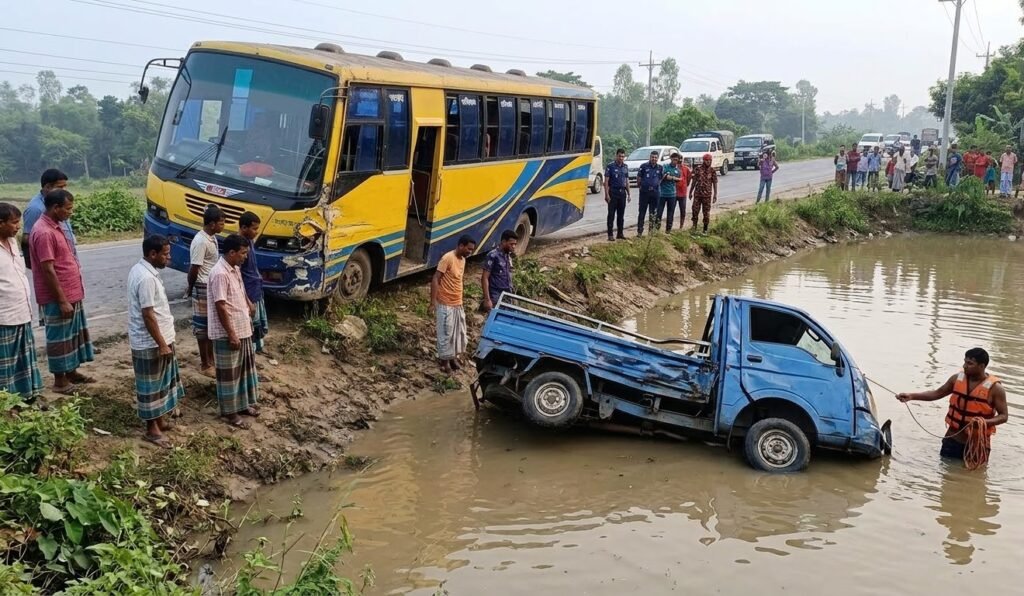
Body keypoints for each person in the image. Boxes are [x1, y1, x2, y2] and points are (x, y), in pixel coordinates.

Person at [28, 190, 94, 394]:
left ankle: (71, 371)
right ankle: (60, 381)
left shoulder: (57, 227)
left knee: (72, 335)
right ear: (55, 208)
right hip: (59, 296)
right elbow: (48, 269)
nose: (70, 212)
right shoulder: (44, 232)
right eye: (68, 208)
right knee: (59, 338)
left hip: (72, 292)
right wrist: (62, 300)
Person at [897, 348, 1008, 462]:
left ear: (982, 366)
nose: (965, 366)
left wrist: (983, 422)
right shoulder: (956, 379)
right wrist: (912, 396)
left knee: (974, 475)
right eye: (965, 362)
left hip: (977, 445)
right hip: (953, 439)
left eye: (970, 363)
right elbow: (937, 393)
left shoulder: (995, 389)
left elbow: (1004, 416)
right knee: (947, 475)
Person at [127, 235, 183, 448]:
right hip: (150, 342)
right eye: (166, 254)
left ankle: (159, 420)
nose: (168, 258)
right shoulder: (147, 278)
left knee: (161, 383)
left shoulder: (143, 270)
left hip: (160, 337)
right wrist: (161, 343)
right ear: (153, 254)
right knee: (150, 386)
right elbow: (148, 314)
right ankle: (152, 430)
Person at [208, 234, 259, 429]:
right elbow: (220, 305)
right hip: (229, 332)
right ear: (231, 252)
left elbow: (240, 289)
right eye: (243, 253)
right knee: (230, 375)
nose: (245, 257)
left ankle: (243, 404)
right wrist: (231, 333)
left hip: (242, 326)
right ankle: (230, 413)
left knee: (244, 370)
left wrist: (248, 303)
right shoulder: (220, 273)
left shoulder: (235, 269)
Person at [0, 203, 42, 400]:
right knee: (5, 363)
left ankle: (26, 396)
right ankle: (6, 403)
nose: (18, 227)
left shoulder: (13, 242)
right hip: (4, 316)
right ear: (0, 224)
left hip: (22, 311)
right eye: (14, 223)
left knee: (23, 359)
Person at [185, 205, 225, 377]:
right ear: (211, 224)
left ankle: (211, 359)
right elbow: (195, 267)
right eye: (221, 223)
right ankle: (205, 363)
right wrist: (191, 286)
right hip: (202, 286)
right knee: (202, 328)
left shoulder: (211, 238)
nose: (223, 226)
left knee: (210, 326)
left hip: (211, 285)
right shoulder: (201, 241)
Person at [431, 235, 476, 373]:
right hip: (445, 303)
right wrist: (433, 302)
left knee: (458, 334)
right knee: (446, 333)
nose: (470, 252)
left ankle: (452, 358)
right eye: (468, 249)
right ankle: (444, 362)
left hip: (457, 303)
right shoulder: (447, 258)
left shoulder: (462, 260)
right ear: (461, 246)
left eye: (472, 250)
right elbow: (435, 279)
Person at [21, 169, 72, 269]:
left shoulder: (61, 202)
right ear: (47, 187)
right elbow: (27, 239)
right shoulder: (36, 209)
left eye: (65, 186)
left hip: (67, 258)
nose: (64, 190)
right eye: (60, 187)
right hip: (54, 265)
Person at [237, 212, 268, 354]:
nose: (256, 232)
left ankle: (257, 350)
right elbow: (238, 275)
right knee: (249, 326)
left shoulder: (249, 242)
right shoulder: (240, 247)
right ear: (244, 227)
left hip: (255, 289)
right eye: (254, 229)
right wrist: (246, 299)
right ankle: (250, 353)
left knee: (257, 324)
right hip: (248, 291)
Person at [481, 230, 517, 312]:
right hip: (496, 296)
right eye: (511, 244)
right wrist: (487, 299)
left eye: (515, 244)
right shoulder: (492, 255)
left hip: (507, 295)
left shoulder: (508, 256)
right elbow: (484, 277)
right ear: (504, 242)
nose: (514, 246)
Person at [604, 148, 630, 241]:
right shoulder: (610, 166)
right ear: (616, 156)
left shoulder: (625, 167)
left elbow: (627, 181)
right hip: (613, 192)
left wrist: (629, 194)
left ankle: (620, 233)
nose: (621, 158)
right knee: (611, 214)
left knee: (621, 215)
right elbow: (606, 181)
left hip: (622, 193)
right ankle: (610, 235)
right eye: (619, 156)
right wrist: (607, 194)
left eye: (623, 156)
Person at [636, 150, 663, 237]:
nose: (654, 159)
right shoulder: (643, 166)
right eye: (652, 157)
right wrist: (641, 186)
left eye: (655, 157)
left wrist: (655, 185)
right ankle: (640, 231)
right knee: (642, 212)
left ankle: (650, 232)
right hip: (644, 192)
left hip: (655, 193)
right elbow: (639, 178)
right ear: (650, 157)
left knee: (653, 213)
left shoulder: (660, 168)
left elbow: (660, 179)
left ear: (657, 158)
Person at [689, 153, 718, 233]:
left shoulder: (712, 171)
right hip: (698, 195)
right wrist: (690, 192)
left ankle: (705, 229)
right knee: (695, 210)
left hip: (707, 196)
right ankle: (694, 226)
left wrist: (715, 194)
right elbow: (694, 181)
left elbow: (715, 182)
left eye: (710, 160)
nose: (709, 162)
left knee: (706, 212)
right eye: (707, 160)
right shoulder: (698, 169)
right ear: (704, 161)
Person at [657, 152, 683, 231]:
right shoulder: (665, 167)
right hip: (662, 194)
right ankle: (656, 229)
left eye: (676, 160)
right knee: (659, 213)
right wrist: (673, 178)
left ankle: (668, 230)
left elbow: (679, 180)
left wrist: (671, 178)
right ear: (671, 159)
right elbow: (664, 177)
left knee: (670, 213)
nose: (675, 161)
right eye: (674, 159)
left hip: (672, 194)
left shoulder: (678, 170)